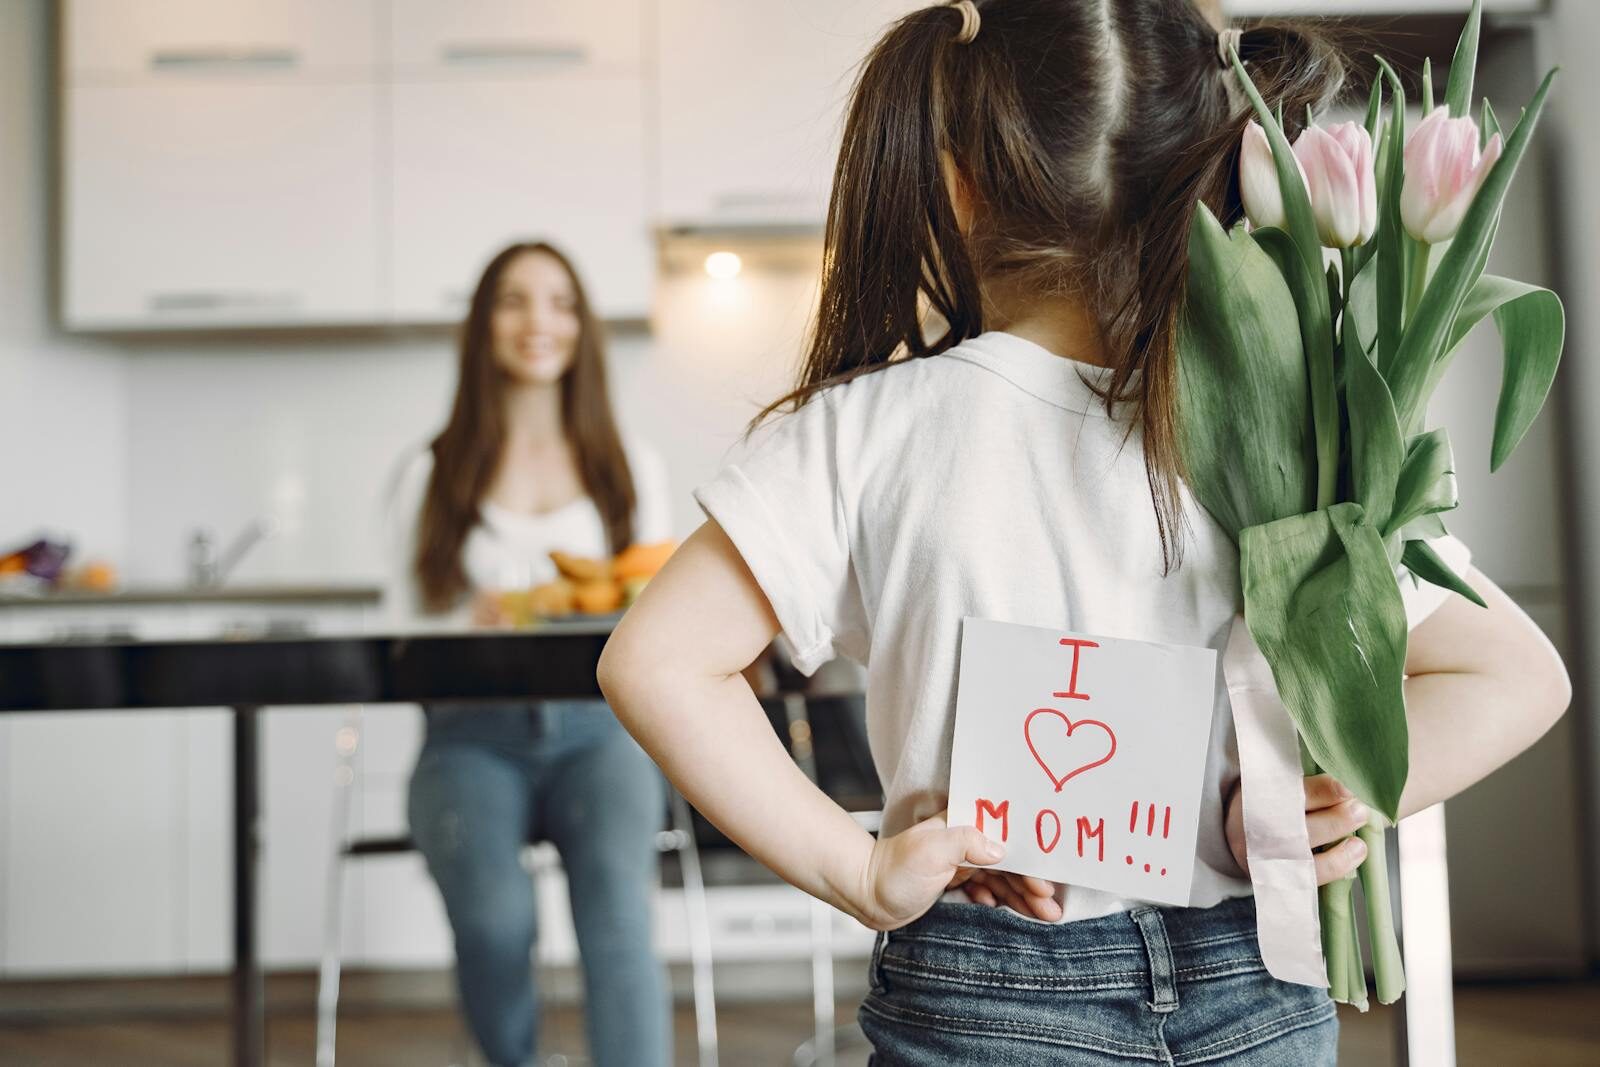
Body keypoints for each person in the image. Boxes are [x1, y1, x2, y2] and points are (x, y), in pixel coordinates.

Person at [595, 3, 1572, 1065]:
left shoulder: (859, 431)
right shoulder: (1288, 427)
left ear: (955, 180)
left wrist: (857, 869)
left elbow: (656, 663)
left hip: (986, 975)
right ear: (1209, 175)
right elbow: (1517, 677)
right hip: (1252, 971)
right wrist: (1294, 806)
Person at [388, 241, 672, 1067]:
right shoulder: (430, 472)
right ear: (483, 325)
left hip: (603, 732)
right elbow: (397, 634)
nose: (536, 321)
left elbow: (657, 613)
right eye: (513, 300)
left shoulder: (628, 468)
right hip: (470, 738)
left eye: (558, 301)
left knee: (618, 916)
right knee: (493, 921)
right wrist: (456, 625)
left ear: (581, 326)